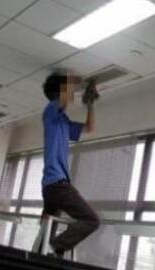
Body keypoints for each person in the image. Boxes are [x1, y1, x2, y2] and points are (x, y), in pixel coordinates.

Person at [41, 72, 100, 258]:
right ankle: (54, 248)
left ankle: (43, 253)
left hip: (52, 186)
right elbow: (66, 97)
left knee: (47, 227)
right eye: (66, 89)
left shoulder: (63, 122)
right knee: (91, 220)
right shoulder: (49, 112)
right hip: (57, 185)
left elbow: (89, 128)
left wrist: (90, 105)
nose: (71, 94)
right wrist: (81, 82)